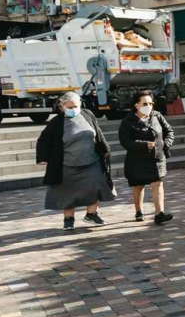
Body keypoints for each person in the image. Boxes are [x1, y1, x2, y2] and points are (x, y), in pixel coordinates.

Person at [37, 91, 116, 231]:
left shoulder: (87, 114)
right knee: (67, 192)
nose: (74, 109)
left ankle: (91, 214)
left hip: (92, 161)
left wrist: (105, 149)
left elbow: (98, 133)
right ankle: (69, 219)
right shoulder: (56, 123)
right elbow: (43, 140)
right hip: (67, 164)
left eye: (76, 106)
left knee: (97, 186)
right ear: (62, 106)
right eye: (70, 106)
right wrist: (42, 157)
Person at [119, 91, 175, 225]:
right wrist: (144, 145)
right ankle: (139, 211)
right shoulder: (128, 121)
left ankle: (159, 213)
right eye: (145, 104)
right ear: (136, 105)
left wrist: (164, 144)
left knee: (158, 183)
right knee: (138, 186)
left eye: (151, 103)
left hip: (157, 157)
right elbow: (125, 141)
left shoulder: (157, 116)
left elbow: (169, 131)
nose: (149, 106)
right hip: (137, 158)